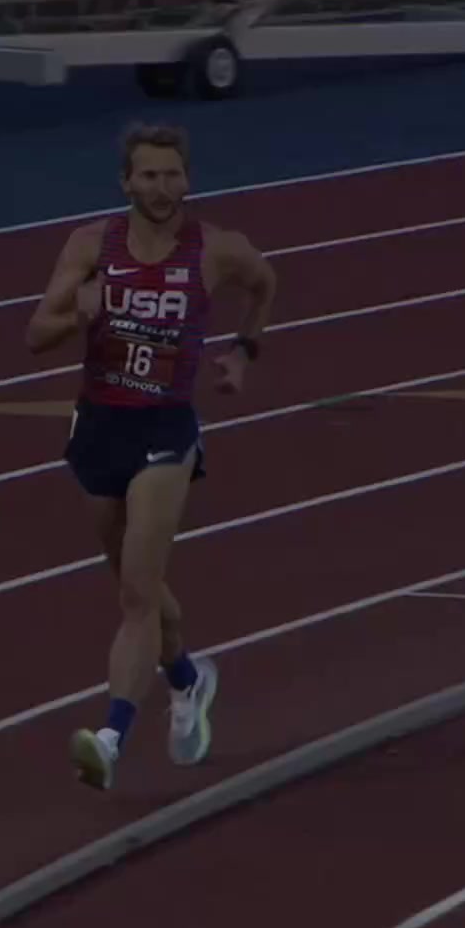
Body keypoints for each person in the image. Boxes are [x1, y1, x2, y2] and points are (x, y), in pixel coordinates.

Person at [23, 121, 277, 791]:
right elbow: (34, 334)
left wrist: (244, 352)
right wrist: (80, 313)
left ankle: (109, 738)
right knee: (137, 586)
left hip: (166, 429)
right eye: (149, 175)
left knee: (138, 591)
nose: (162, 188)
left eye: (172, 174)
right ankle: (190, 680)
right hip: (99, 429)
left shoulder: (215, 250)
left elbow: (265, 283)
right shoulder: (90, 245)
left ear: (186, 179)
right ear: (126, 182)